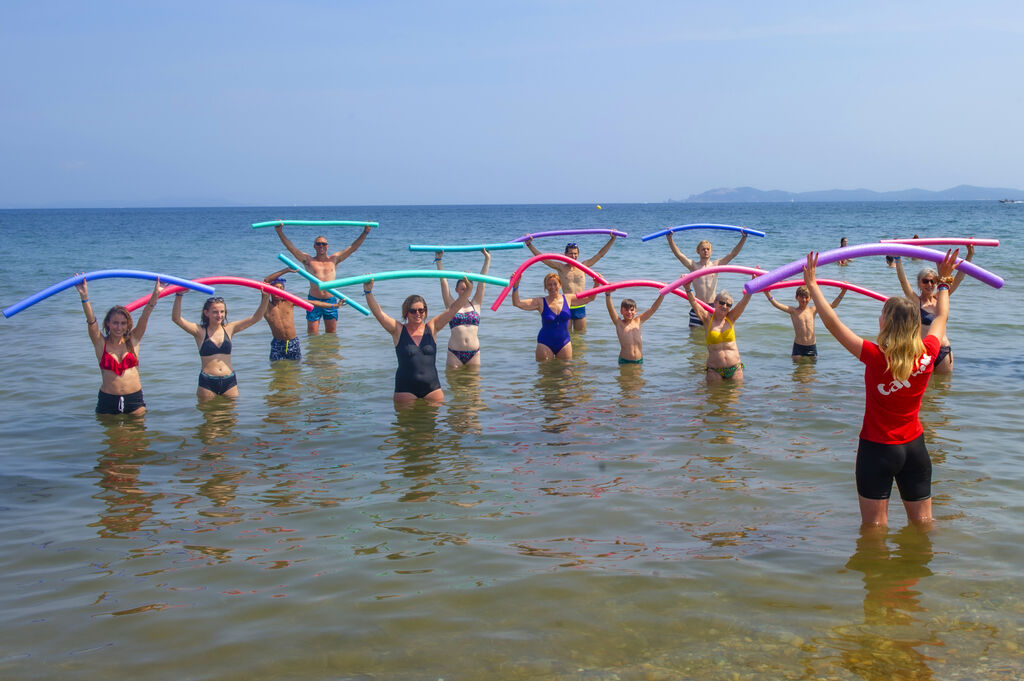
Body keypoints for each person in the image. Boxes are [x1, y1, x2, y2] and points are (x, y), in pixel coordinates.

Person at [802, 248, 960, 527]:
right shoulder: (928, 353)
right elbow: (940, 318)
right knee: (923, 525)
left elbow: (833, 323)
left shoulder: (875, 357)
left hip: (878, 449)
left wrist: (813, 285)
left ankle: (880, 571)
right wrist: (945, 281)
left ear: (884, 322)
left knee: (874, 530)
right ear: (913, 326)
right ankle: (917, 569)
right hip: (915, 447)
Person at [363, 277, 472, 405]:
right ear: (406, 312)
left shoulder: (432, 327)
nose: (418, 313)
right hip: (405, 389)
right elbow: (379, 313)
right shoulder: (397, 330)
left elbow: (453, 309)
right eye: (413, 311)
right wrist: (368, 292)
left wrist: (468, 290)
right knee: (405, 424)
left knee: (433, 424)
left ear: (425, 311)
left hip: (432, 388)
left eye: (421, 310)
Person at [75, 277, 165, 415]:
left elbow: (145, 315)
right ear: (108, 324)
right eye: (115, 323)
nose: (119, 327)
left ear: (127, 325)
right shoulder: (101, 343)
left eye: (123, 323)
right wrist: (84, 297)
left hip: (134, 400)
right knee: (110, 436)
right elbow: (91, 322)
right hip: (108, 401)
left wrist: (156, 294)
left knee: (139, 436)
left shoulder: (133, 340)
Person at [172, 291, 270, 400]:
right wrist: (179, 295)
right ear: (206, 313)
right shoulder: (199, 331)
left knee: (231, 416)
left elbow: (256, 318)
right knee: (210, 415)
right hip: (207, 382)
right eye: (215, 312)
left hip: (229, 381)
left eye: (222, 312)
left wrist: (265, 297)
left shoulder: (229, 328)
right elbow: (176, 319)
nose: (219, 315)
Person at [275, 223, 371, 334]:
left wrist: (365, 232)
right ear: (314, 246)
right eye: (318, 244)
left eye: (323, 244)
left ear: (327, 246)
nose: (321, 246)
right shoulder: (308, 260)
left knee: (331, 334)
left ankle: (330, 352)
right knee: (312, 333)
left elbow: (353, 248)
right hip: (313, 300)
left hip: (331, 300)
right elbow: (291, 248)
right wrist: (280, 232)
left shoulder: (334, 259)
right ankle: (314, 352)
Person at [895, 244, 973, 374]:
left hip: (943, 351)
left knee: (943, 389)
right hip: (923, 352)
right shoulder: (916, 301)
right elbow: (903, 281)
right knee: (927, 392)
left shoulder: (942, 297)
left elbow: (959, 278)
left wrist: (969, 255)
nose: (929, 285)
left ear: (937, 283)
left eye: (932, 281)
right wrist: (898, 259)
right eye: (925, 281)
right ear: (919, 283)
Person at [524, 236, 616, 332]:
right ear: (565, 255)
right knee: (566, 335)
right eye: (571, 253)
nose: (573, 256)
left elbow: (600, 254)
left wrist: (613, 239)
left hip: (580, 304)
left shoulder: (583, 266)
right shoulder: (561, 267)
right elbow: (543, 259)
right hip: (566, 305)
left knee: (579, 336)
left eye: (575, 254)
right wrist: (529, 244)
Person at [666, 232, 748, 327]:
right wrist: (670, 239)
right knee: (694, 336)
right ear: (698, 251)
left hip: (712, 307)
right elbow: (679, 255)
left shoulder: (716, 265)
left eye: (708, 249)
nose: (705, 251)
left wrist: (744, 237)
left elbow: (732, 254)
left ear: (711, 251)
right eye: (703, 249)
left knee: (712, 335)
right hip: (697, 305)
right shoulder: (693, 266)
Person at [513, 272, 597, 361]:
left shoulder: (568, 299)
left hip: (564, 343)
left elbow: (590, 298)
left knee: (567, 373)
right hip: (545, 343)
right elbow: (517, 303)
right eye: (549, 285)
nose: (552, 287)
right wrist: (516, 284)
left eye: (555, 284)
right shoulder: (540, 302)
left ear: (560, 285)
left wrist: (596, 284)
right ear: (545, 287)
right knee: (546, 373)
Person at [261, 267, 341, 361]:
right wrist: (286, 270)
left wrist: (333, 305)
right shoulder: (266, 305)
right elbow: (265, 281)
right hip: (278, 343)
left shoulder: (289, 302)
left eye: (281, 288)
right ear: (270, 290)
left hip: (293, 342)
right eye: (275, 288)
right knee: (277, 369)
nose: (278, 291)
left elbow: (313, 302)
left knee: (296, 369)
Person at [682, 283, 752, 382]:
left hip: (735, 368)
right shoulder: (707, 319)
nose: (724, 306)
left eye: (728, 305)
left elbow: (744, 302)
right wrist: (688, 288)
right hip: (714, 370)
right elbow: (694, 303)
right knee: (714, 397)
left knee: (734, 397)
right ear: (715, 303)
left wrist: (753, 284)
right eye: (722, 302)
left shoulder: (731, 318)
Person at [434, 249, 491, 368]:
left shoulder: (476, 303)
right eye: (462, 289)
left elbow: (482, 282)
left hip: (474, 353)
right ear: (456, 290)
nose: (465, 291)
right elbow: (443, 282)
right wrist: (439, 261)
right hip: (454, 353)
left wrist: (487, 259)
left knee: (474, 386)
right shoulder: (451, 304)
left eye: (467, 288)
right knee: (454, 387)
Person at [764, 285, 846, 359]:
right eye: (801, 297)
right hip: (798, 347)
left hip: (812, 346)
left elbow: (833, 305)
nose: (804, 300)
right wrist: (767, 294)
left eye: (806, 297)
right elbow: (776, 304)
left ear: (811, 298)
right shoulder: (793, 311)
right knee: (798, 373)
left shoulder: (813, 309)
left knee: (811, 373)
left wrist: (843, 292)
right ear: (796, 297)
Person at [604, 292, 664, 364]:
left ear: (636, 311)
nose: (629, 312)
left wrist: (662, 294)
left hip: (639, 361)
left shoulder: (638, 321)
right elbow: (611, 310)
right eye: (626, 310)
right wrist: (608, 294)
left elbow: (652, 309)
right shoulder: (619, 323)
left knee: (638, 375)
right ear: (621, 311)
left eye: (632, 310)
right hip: (625, 361)